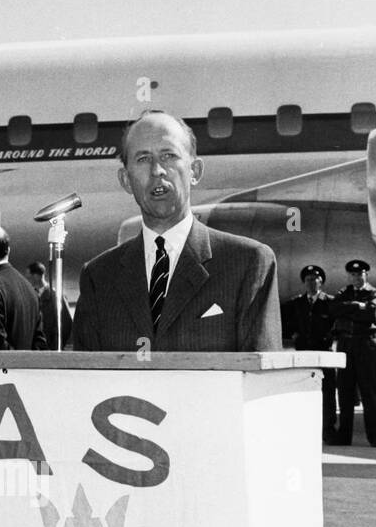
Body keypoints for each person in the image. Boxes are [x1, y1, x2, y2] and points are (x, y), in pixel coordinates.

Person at [74, 110, 282, 353]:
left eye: (169, 156)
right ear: (125, 180)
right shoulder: (99, 278)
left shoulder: (248, 263)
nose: (157, 170)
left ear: (195, 171)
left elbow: (261, 378)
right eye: (143, 159)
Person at [331, 258, 376, 447]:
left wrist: (350, 309)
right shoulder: (343, 293)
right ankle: (344, 436)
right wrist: (357, 306)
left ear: (366, 275)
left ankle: (375, 437)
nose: (356, 278)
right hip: (346, 344)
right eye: (353, 275)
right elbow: (334, 309)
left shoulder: (374, 293)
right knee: (344, 392)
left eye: (359, 274)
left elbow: (372, 313)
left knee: (369, 392)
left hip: (365, 345)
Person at [281, 264, 337, 440]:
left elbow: (337, 323)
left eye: (315, 280)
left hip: (323, 353)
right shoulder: (296, 303)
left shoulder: (330, 302)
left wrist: (330, 336)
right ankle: (305, 428)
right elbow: (283, 322)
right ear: (304, 282)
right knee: (303, 389)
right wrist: (294, 335)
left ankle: (328, 429)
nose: (311, 283)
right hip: (304, 351)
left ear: (321, 282)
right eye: (308, 280)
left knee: (327, 392)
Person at [27, 260, 73, 350]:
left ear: (36, 276)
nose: (28, 280)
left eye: (29, 277)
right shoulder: (32, 295)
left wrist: (56, 344)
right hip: (37, 348)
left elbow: (67, 323)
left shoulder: (55, 296)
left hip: (49, 347)